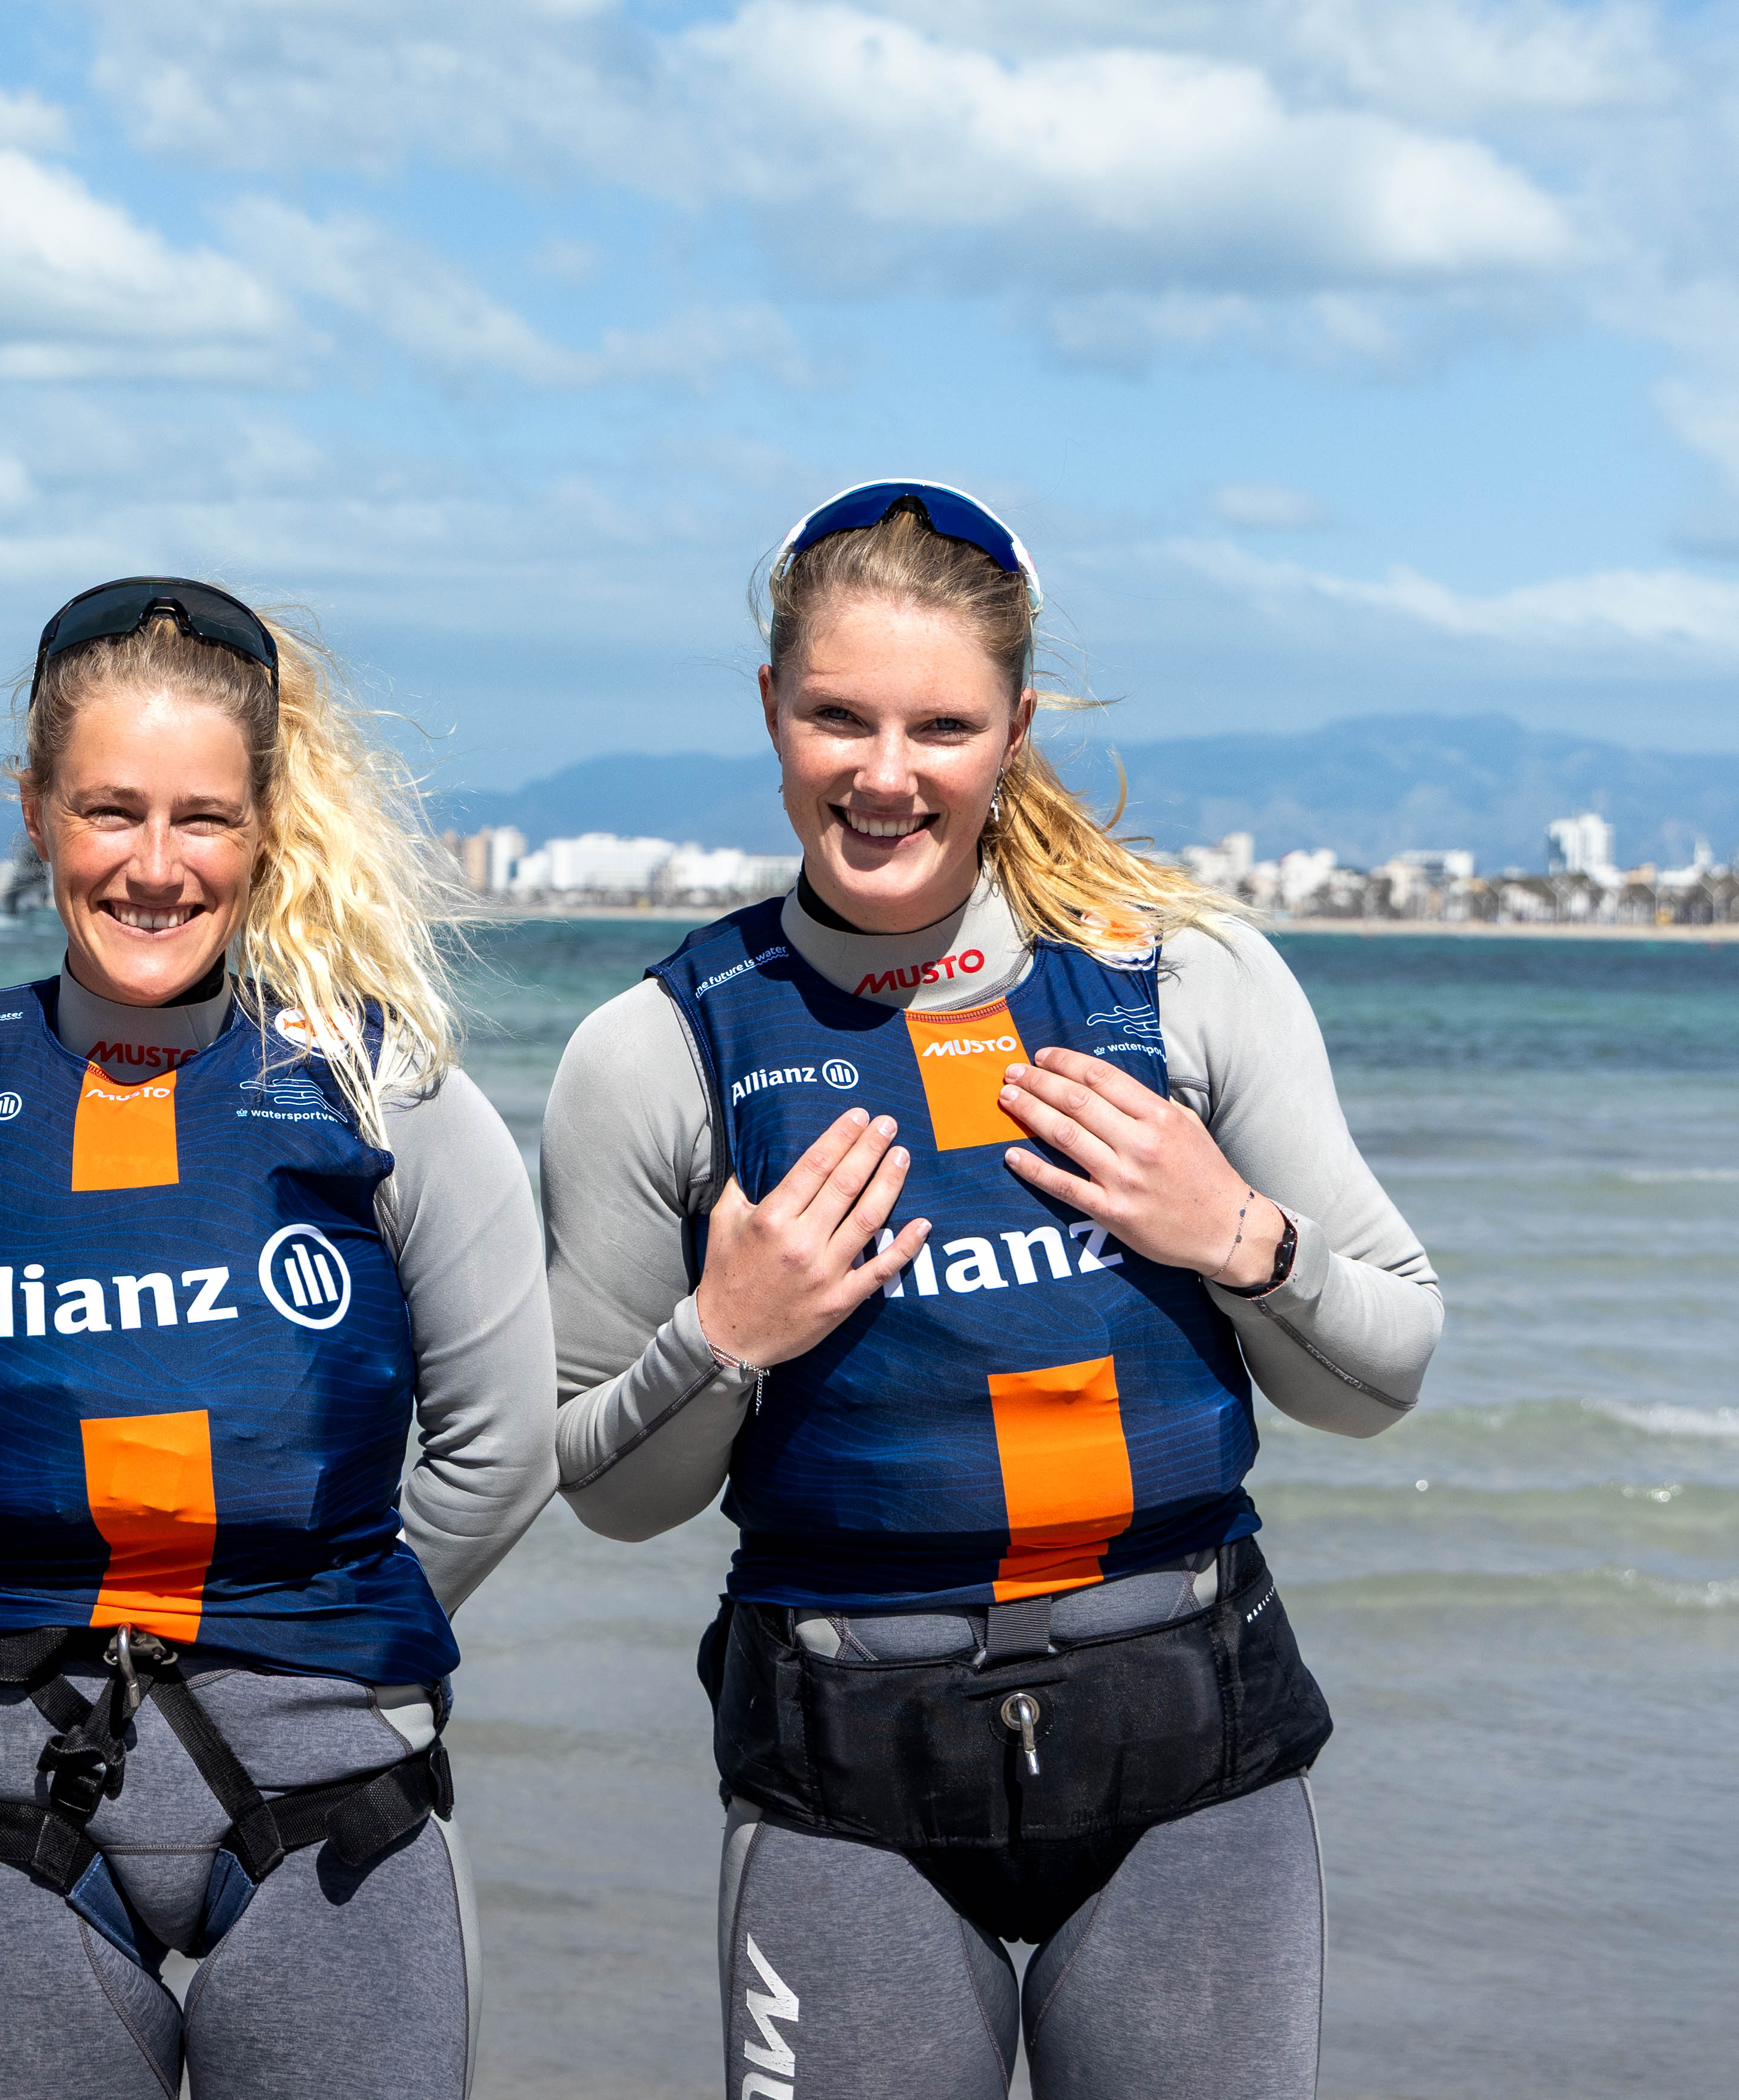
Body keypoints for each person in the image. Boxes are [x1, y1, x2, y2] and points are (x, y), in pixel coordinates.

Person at [544, 484, 1445, 2100]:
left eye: (941, 726)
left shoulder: (1185, 982)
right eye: (838, 718)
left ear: (1014, 731)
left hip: (1192, 1767)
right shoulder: (660, 1049)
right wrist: (725, 1340)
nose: (886, 775)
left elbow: (1387, 1369)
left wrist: (1236, 1232)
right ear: (771, 710)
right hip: (846, 1783)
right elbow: (605, 1490)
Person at [0, 577, 555, 2100]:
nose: (155, 868)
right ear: (34, 810)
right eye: (110, 812)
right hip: (10, 1791)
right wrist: (39, 1607)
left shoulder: (380, 1092)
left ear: (268, 823)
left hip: (332, 1789)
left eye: (203, 818)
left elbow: (502, 1446)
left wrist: (316, 1632)